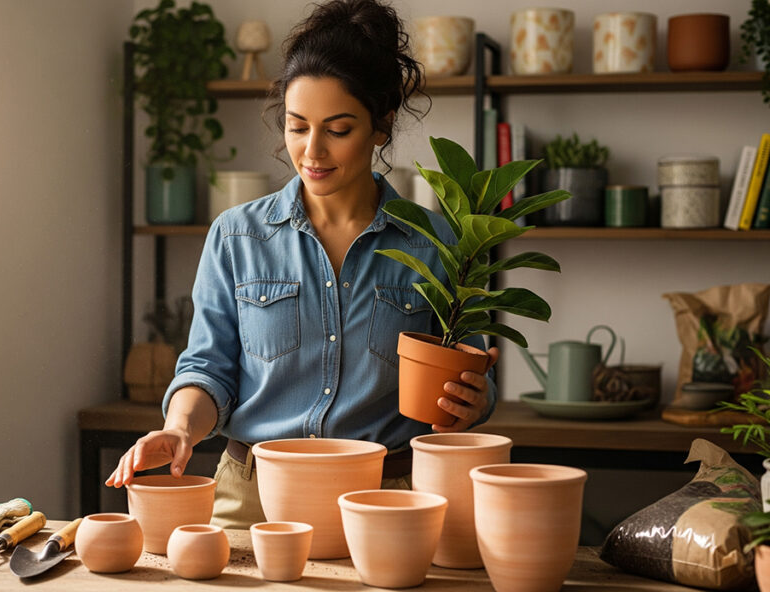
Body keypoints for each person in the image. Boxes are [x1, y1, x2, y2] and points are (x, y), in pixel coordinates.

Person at [107, 0, 499, 528]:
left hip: (387, 499)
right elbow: (207, 369)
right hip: (253, 500)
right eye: (297, 127)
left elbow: (470, 373)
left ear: (381, 124)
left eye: (338, 130)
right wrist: (179, 428)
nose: (312, 151)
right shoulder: (236, 236)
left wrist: (475, 401)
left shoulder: (436, 243)